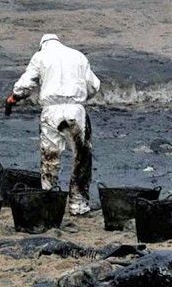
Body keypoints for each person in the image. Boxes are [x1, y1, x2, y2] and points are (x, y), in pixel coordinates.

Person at [6, 34, 101, 215]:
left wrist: (14, 98)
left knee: (50, 157)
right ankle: (78, 205)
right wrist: (79, 98)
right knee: (81, 157)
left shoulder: (40, 56)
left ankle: (49, 201)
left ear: (42, 45)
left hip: (51, 111)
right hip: (75, 110)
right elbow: (94, 86)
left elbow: (25, 85)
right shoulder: (78, 56)